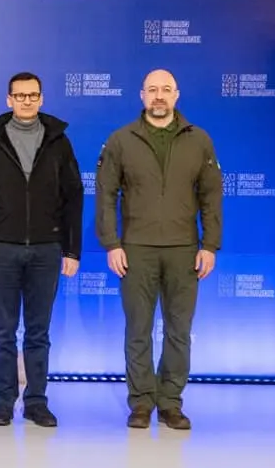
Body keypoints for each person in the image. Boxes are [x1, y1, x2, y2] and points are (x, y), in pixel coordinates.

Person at [96, 68, 222, 431]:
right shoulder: (121, 139)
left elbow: (211, 196)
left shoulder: (199, 140)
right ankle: (140, 402)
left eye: (166, 89)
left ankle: (170, 403)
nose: (159, 96)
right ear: (142, 95)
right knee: (138, 329)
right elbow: (105, 195)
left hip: (184, 249)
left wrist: (210, 245)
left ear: (176, 95)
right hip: (136, 249)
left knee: (178, 330)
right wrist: (112, 243)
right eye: (152, 89)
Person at [0, 71, 83, 428]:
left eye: (33, 95)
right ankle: (3, 402)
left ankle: (36, 402)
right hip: (1, 249)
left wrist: (72, 250)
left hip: (47, 250)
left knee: (38, 333)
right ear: (9, 100)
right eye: (20, 95)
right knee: (3, 332)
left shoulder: (58, 141)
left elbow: (73, 198)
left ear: (41, 99)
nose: (26, 101)